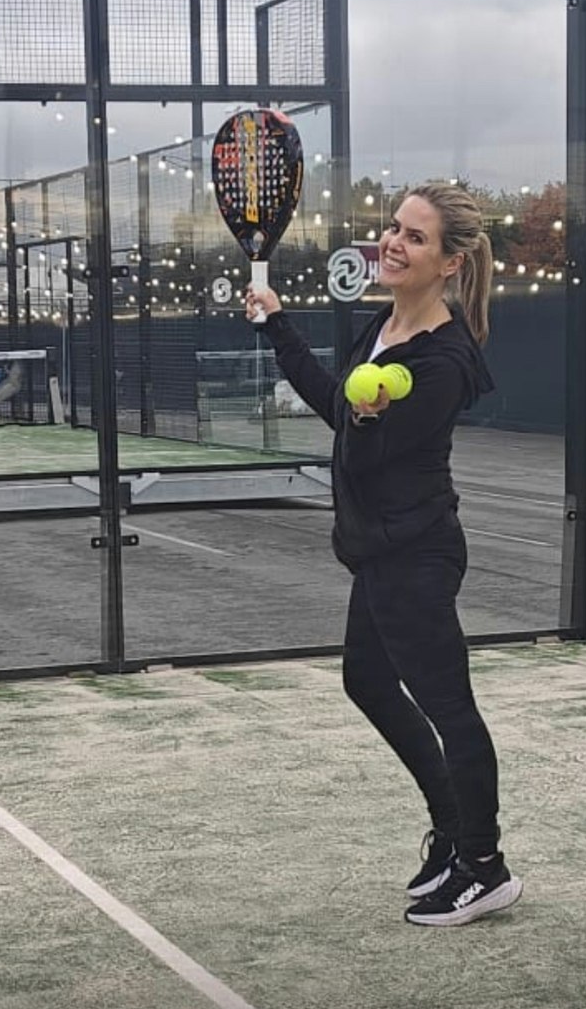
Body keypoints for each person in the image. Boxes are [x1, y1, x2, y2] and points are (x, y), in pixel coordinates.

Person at [245, 182, 520, 926]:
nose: (394, 243)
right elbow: (340, 407)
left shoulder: (446, 360)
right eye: (394, 228)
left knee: (450, 709)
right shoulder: (383, 327)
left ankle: (485, 866)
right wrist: (279, 326)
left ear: (451, 262)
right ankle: (453, 835)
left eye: (416, 238)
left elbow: (368, 451)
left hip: (417, 553)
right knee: (366, 679)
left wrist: (364, 419)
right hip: (379, 550)